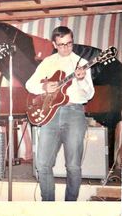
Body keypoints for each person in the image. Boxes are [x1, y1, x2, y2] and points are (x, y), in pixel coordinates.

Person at [25, 26, 95, 201]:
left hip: (74, 113)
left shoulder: (81, 63)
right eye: (61, 45)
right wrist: (43, 86)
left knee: (73, 165)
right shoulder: (48, 62)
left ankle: (69, 206)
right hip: (51, 114)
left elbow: (89, 94)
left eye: (69, 44)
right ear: (54, 44)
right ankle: (49, 206)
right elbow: (29, 84)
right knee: (42, 164)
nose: (66, 48)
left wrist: (81, 80)